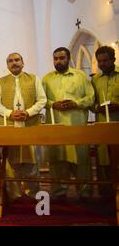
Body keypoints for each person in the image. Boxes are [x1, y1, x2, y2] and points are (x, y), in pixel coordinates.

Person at [0, 53, 46, 202]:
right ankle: (13, 195)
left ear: (23, 62)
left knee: (32, 162)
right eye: (10, 61)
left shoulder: (34, 79)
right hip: (10, 126)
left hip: (30, 125)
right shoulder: (1, 81)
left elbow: (42, 100)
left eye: (17, 60)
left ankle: (33, 194)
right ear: (7, 65)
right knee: (10, 164)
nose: (14, 63)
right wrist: (9, 114)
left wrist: (28, 112)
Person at [42, 47, 95, 201]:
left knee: (81, 159)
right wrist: (53, 104)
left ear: (69, 58)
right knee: (57, 159)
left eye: (62, 58)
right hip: (56, 126)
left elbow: (91, 98)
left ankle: (85, 192)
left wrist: (76, 103)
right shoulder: (46, 79)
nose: (58, 61)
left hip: (77, 126)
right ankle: (58, 192)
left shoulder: (81, 76)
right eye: (55, 58)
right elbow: (41, 100)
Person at [90, 45, 119, 199]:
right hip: (102, 127)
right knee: (104, 162)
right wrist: (97, 108)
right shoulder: (95, 80)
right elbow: (91, 102)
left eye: (105, 61)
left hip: (117, 125)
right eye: (99, 61)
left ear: (113, 59)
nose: (101, 64)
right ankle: (107, 197)